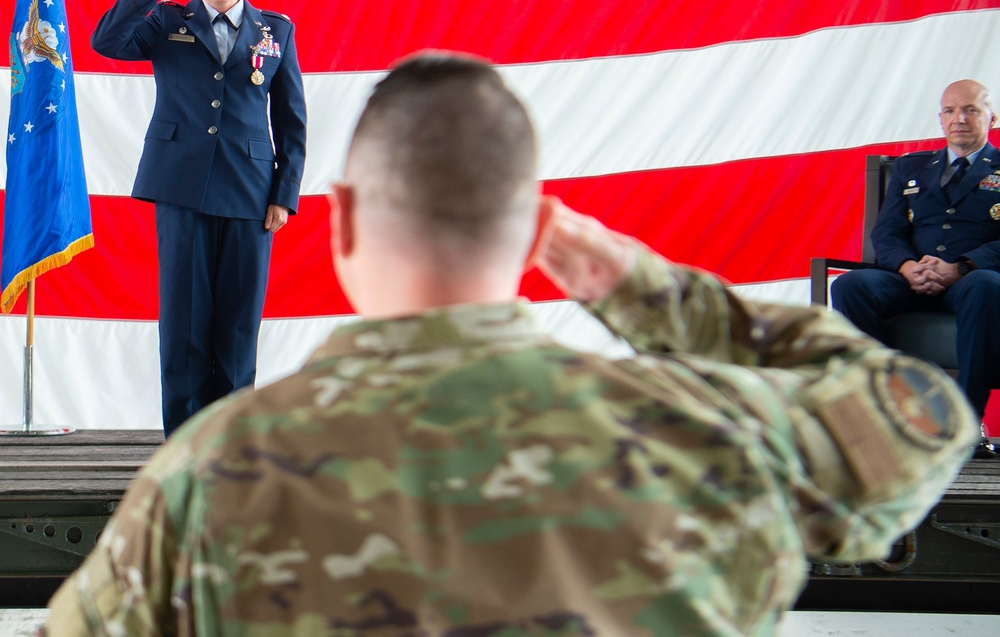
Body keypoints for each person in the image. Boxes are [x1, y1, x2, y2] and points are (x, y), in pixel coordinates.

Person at [43, 52, 975, 636]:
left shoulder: (208, 479)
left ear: (346, 222)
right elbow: (923, 414)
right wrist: (641, 286)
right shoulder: (707, 437)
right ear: (532, 231)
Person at [91, 0, 307, 437]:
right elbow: (105, 39)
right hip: (181, 189)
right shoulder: (165, 22)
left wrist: (285, 193)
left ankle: (230, 453)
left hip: (252, 194)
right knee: (186, 327)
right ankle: (183, 452)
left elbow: (292, 120)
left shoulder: (275, 31)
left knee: (236, 328)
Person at [831, 79, 1000, 458]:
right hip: (911, 278)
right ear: (940, 119)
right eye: (951, 111)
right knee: (850, 287)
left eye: (971, 109)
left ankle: (966, 423)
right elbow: (887, 232)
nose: (960, 119)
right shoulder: (912, 167)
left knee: (987, 285)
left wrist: (962, 266)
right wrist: (907, 267)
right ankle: (879, 419)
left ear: (991, 117)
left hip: (971, 280)